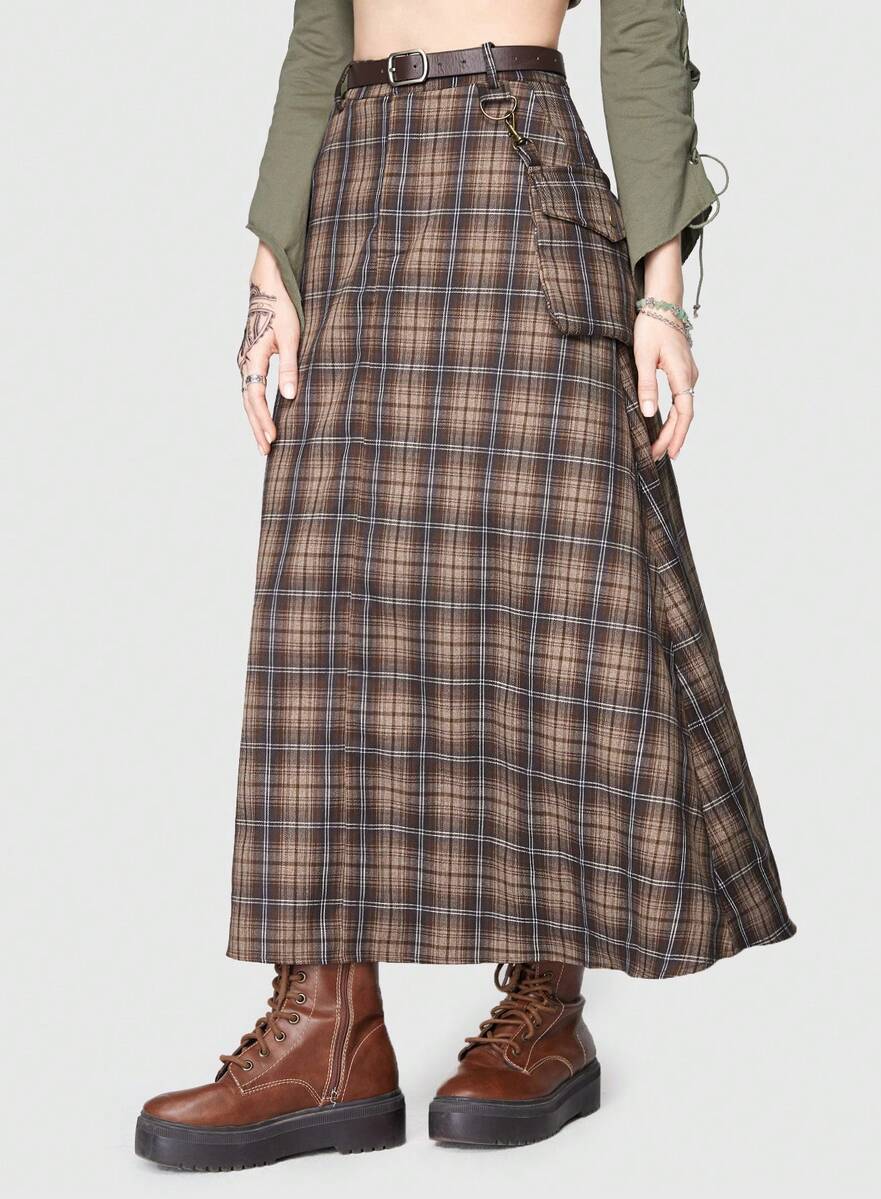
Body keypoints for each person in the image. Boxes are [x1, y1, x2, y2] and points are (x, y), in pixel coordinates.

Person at [136, 0, 795, 1170]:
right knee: (326, 608)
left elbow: (642, 36)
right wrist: (271, 269)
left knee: (553, 605)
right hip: (357, 190)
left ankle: (549, 1000)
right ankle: (328, 1029)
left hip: (516, 168)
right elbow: (320, 36)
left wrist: (661, 290)